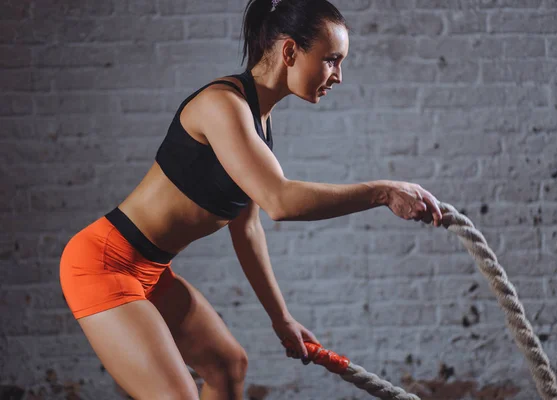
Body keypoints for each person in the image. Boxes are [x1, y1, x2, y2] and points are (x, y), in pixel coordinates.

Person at [59, 0, 443, 399]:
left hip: (150, 270)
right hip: (102, 265)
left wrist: (282, 319)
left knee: (228, 366)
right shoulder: (222, 105)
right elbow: (280, 200)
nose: (338, 76)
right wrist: (381, 192)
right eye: (331, 60)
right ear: (290, 52)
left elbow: (248, 228)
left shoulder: (259, 120)